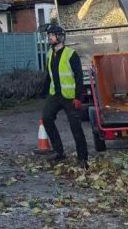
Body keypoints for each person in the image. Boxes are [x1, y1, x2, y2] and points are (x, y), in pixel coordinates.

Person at [38, 22, 88, 166]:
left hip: (70, 97)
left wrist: (78, 97)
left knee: (75, 127)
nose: (49, 37)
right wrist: (42, 92)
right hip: (55, 95)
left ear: (59, 37)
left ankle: (82, 158)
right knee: (46, 118)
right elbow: (49, 76)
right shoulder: (50, 54)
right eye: (48, 35)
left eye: (52, 35)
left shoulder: (71, 54)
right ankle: (58, 152)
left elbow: (79, 77)